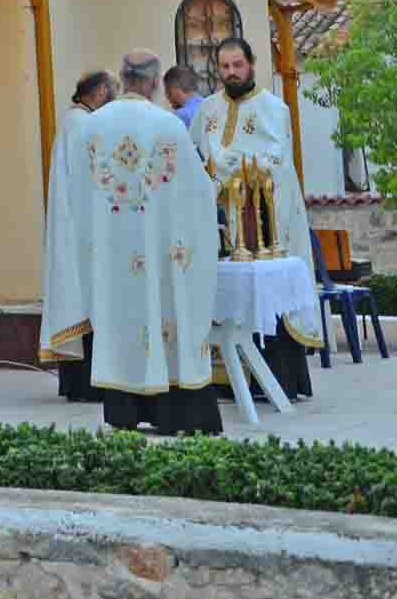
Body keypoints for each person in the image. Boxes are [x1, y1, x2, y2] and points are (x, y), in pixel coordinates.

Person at [79, 50, 221, 435]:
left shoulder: (91, 127)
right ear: (155, 82)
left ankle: (123, 410)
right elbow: (196, 192)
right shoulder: (168, 125)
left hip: (111, 251)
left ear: (122, 78)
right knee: (164, 312)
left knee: (119, 319)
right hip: (159, 254)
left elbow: (82, 196)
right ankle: (171, 412)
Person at [189, 36, 322, 399]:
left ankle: (278, 380)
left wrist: (229, 169)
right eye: (225, 66)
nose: (231, 72)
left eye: (238, 65)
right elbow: (193, 152)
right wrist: (209, 174)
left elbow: (275, 160)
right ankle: (230, 379)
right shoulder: (208, 109)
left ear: (251, 65)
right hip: (221, 219)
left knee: (269, 295)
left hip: (265, 217)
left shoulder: (273, 108)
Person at [39, 69, 116, 403]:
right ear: (99, 92)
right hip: (84, 231)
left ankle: (76, 384)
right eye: (111, 91)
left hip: (76, 227)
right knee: (88, 299)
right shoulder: (84, 125)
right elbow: (92, 181)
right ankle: (88, 385)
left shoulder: (73, 122)